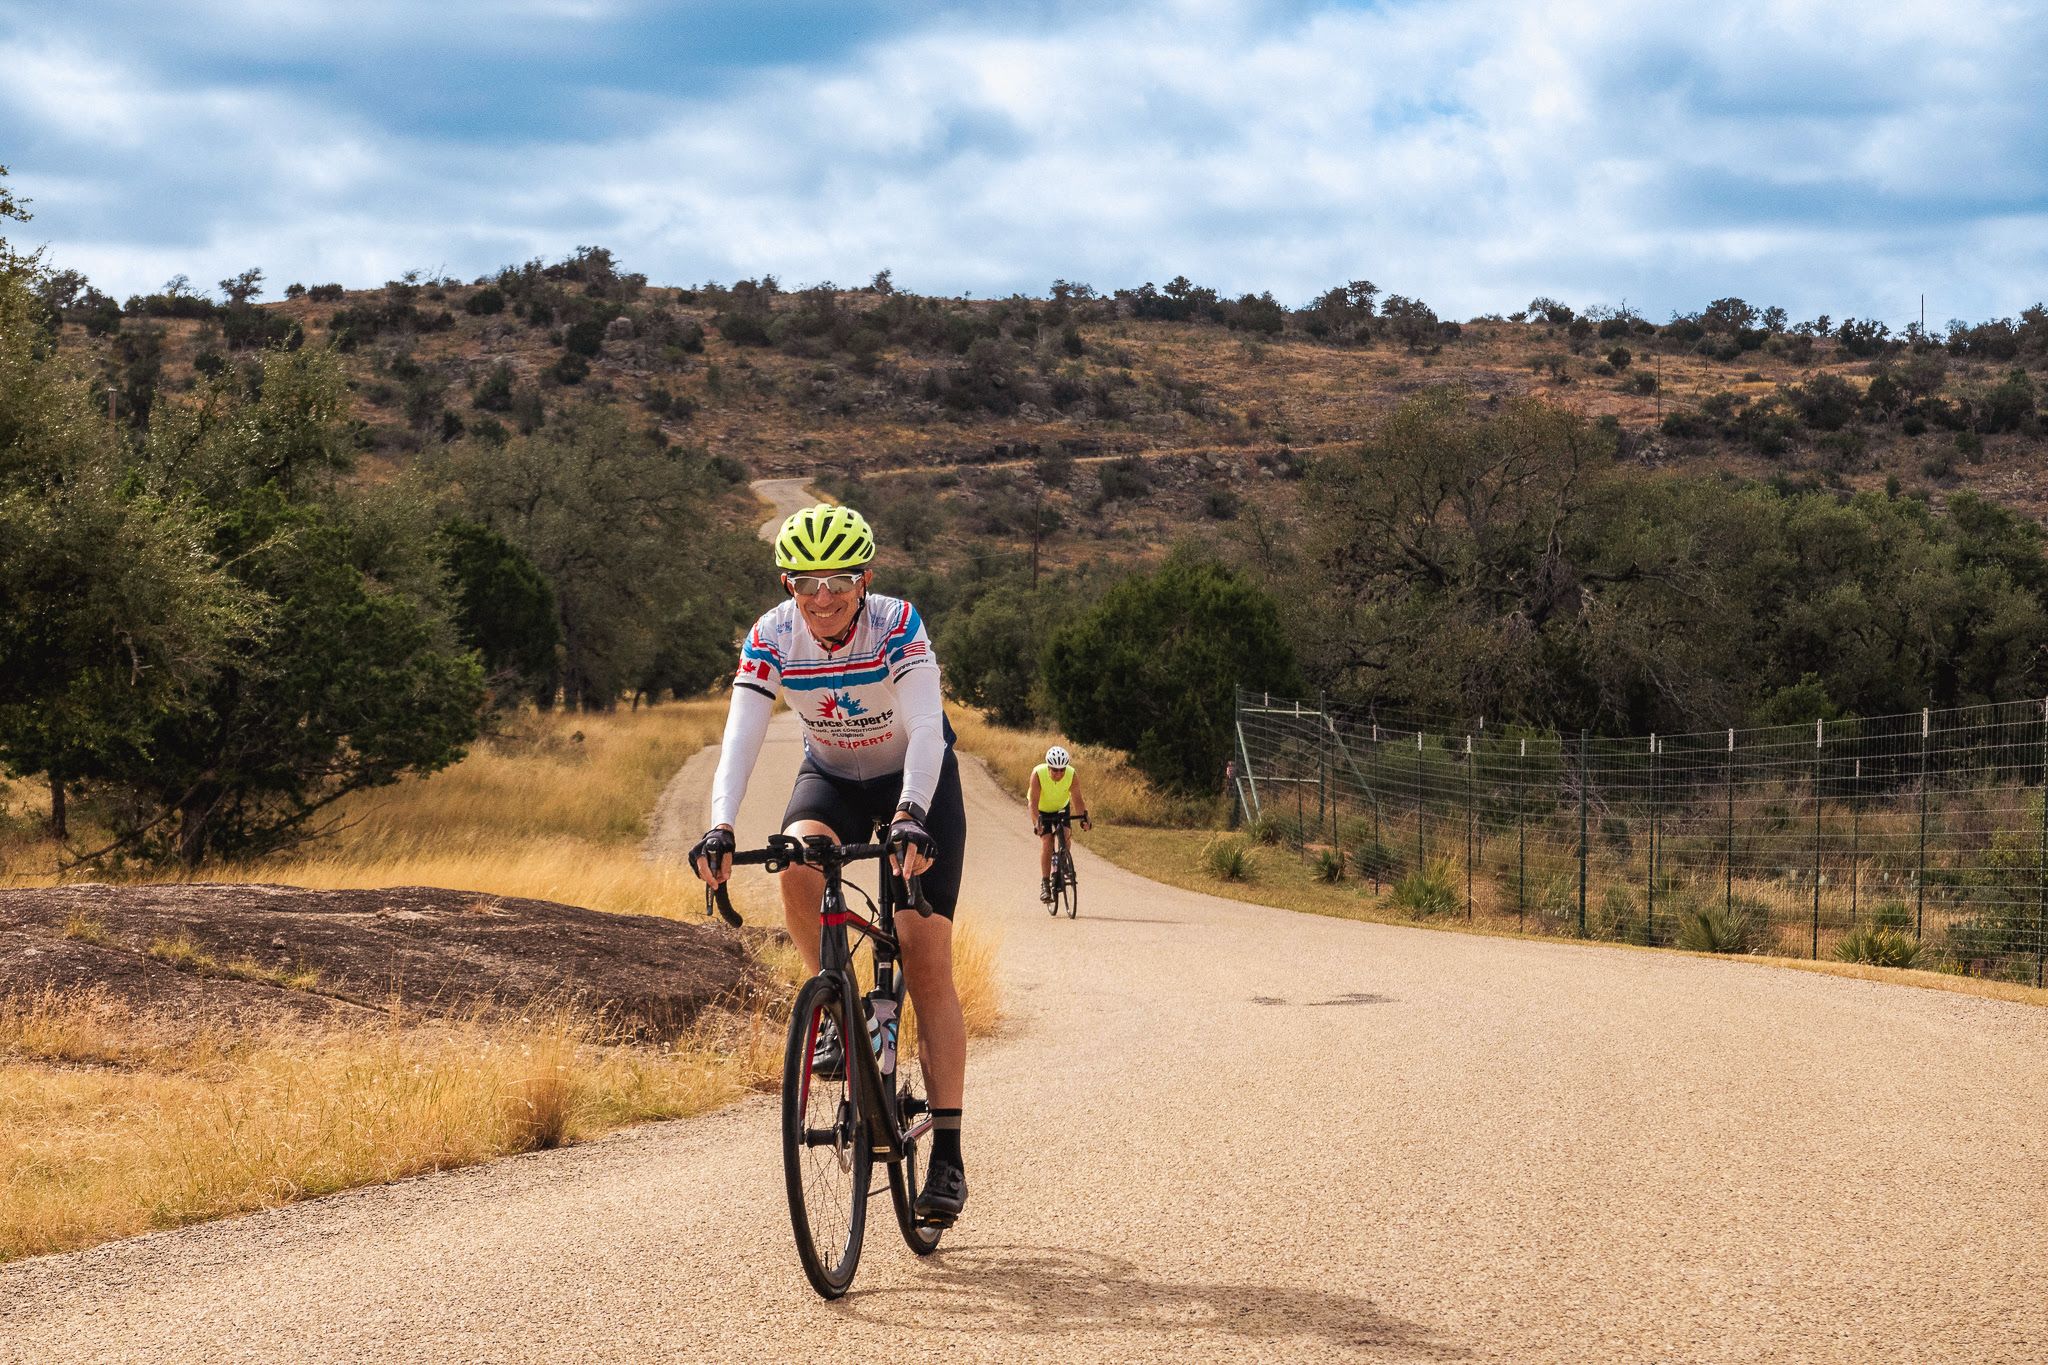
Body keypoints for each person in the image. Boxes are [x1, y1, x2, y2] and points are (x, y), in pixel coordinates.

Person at [689, 503, 971, 1225]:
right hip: (835, 778)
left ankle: (947, 1155)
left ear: (865, 578)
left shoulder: (898, 625)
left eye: (839, 578)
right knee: (795, 862)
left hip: (917, 778)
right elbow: (741, 738)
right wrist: (720, 826)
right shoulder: (772, 637)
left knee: (923, 952)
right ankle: (839, 1012)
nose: (823, 594)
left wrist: (910, 813)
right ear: (789, 584)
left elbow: (926, 732)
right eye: (806, 580)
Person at [1029, 745, 1091, 903]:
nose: (1059, 773)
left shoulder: (1071, 774)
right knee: (1047, 841)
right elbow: (1033, 803)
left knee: (1065, 834)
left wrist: (1084, 818)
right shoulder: (1038, 774)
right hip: (1042, 810)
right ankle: (1045, 884)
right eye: (1055, 770)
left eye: (1062, 770)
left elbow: (1077, 799)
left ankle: (1063, 862)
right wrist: (1037, 823)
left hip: (1061, 808)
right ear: (1049, 767)